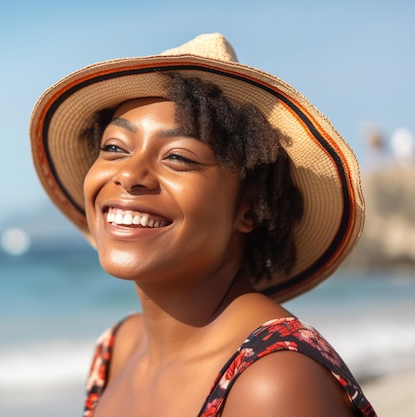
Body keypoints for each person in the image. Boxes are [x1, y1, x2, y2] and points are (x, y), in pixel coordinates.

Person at [29, 33, 376, 417]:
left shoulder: (273, 381)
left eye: (178, 157)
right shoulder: (115, 350)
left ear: (249, 209)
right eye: (114, 148)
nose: (129, 175)